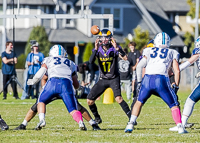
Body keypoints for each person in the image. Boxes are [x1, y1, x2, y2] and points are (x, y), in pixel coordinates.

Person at [124, 32, 188, 134]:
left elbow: (140, 66)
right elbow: (177, 70)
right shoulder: (172, 52)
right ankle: (180, 126)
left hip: (147, 79)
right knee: (173, 104)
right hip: (161, 79)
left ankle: (130, 124)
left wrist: (139, 82)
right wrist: (176, 84)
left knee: (139, 102)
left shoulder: (148, 50)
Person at [26, 44, 86, 130]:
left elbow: (41, 72)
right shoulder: (70, 63)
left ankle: (42, 120)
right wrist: (79, 87)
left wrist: (33, 81)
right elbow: (76, 84)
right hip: (66, 84)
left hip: (53, 82)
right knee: (73, 109)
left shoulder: (48, 59)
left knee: (41, 101)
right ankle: (80, 122)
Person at [14, 74, 100, 131]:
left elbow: (43, 77)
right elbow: (75, 82)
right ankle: (91, 123)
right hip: (65, 87)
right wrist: (77, 88)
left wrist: (44, 89)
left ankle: (25, 124)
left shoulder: (50, 61)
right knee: (76, 107)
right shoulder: (69, 63)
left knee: (39, 103)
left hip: (51, 88)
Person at [87, 29, 131, 124]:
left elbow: (125, 58)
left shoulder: (114, 48)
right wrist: (95, 48)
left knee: (118, 98)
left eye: (106, 37)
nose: (104, 40)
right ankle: (97, 118)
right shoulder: (98, 49)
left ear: (110, 38)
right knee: (89, 100)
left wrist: (118, 49)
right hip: (103, 79)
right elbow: (90, 61)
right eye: (102, 37)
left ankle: (131, 118)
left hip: (114, 78)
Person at [169, 36, 200, 131]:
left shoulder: (197, 52)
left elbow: (186, 64)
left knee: (190, 101)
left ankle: (182, 124)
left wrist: (174, 70)